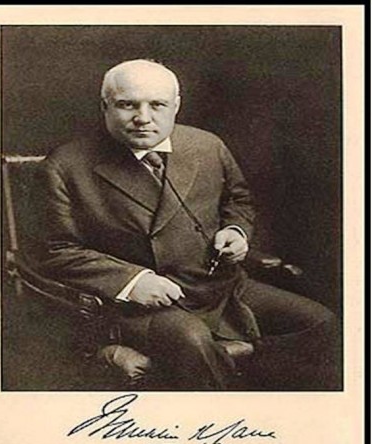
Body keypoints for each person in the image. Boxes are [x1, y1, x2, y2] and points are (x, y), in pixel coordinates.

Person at [35, 59, 340, 390]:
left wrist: (235, 232)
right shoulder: (66, 165)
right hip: (137, 306)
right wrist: (133, 281)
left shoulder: (207, 146)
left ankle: (247, 387)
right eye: (127, 105)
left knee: (320, 323)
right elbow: (55, 250)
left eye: (157, 105)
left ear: (176, 106)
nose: (143, 117)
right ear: (105, 106)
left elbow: (237, 201)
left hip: (221, 288)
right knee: (192, 340)